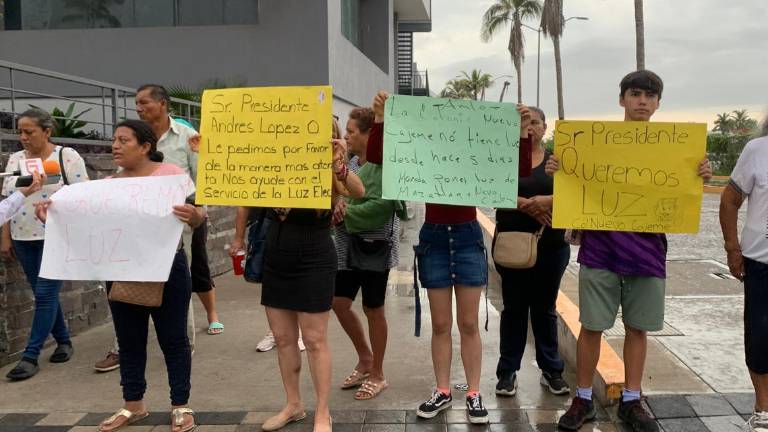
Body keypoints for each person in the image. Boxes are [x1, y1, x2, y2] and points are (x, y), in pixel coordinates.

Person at [550, 70, 712, 432]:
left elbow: (685, 189)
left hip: (648, 253)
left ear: (658, 103)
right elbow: (572, 182)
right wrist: (558, 168)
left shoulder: (677, 149)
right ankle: (582, 398)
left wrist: (700, 172)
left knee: (638, 329)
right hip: (600, 251)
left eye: (650, 96)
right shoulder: (594, 143)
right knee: (592, 327)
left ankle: (632, 399)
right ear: (621, 99)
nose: (642, 101)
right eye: (635, 94)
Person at [365, 91, 530, 423]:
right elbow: (379, 157)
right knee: (440, 324)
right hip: (435, 237)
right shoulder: (424, 146)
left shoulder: (477, 146)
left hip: (468, 236)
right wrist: (381, 118)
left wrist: (523, 130)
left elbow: (518, 169)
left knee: (468, 323)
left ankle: (472, 393)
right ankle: (442, 390)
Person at [36, 119, 204, 432]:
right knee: (129, 340)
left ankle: (181, 404)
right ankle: (133, 405)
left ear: (145, 147)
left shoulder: (171, 176)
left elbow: (200, 213)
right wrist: (53, 215)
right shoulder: (109, 185)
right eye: (114, 139)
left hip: (168, 269)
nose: (115, 146)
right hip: (122, 272)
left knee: (174, 340)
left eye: (123, 140)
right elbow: (87, 227)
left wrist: (194, 216)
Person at [2, 108, 90, 381]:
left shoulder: (66, 156)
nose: (23, 137)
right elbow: (6, 196)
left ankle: (30, 355)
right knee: (43, 294)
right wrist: (4, 236)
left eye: (29, 132)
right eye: (20, 132)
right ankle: (64, 340)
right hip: (23, 236)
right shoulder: (15, 159)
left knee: (44, 294)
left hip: (57, 236)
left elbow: (84, 195)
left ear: (47, 131)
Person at [493, 107, 570, 398]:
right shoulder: (503, 156)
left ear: (545, 127)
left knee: (544, 308)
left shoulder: (557, 160)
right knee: (513, 308)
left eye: (535, 122)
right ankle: (507, 372)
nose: (529, 128)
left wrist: (547, 201)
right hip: (512, 244)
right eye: (524, 123)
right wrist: (528, 204)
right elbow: (491, 189)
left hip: (551, 246)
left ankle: (552, 370)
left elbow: (577, 191)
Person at [331, 107, 402, 400]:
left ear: (369, 133)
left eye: (351, 132)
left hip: (375, 248)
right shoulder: (353, 163)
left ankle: (378, 374)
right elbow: (340, 194)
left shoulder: (389, 167)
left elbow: (383, 208)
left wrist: (346, 214)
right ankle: (365, 358)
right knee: (338, 303)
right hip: (346, 247)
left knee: (374, 309)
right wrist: (336, 206)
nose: (346, 137)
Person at [719, 114, 768, 432]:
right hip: (761, 263)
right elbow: (730, 200)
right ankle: (763, 409)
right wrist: (732, 248)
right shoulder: (757, 150)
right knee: (761, 337)